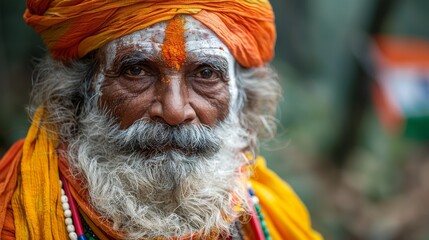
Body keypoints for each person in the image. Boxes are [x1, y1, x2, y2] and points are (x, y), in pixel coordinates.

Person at [0, 1, 323, 239]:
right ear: (79, 93)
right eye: (136, 71)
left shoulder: (274, 217)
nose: (174, 110)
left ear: (243, 99)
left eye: (206, 74)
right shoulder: (14, 215)